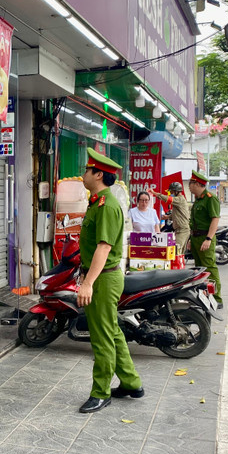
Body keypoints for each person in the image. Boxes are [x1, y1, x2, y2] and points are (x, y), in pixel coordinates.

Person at [77, 148, 143, 414]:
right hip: (102, 276)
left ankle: (100, 392)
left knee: (102, 336)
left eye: (86, 169)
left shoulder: (107, 205)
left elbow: (103, 248)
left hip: (104, 279)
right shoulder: (98, 201)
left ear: (98, 174)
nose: (83, 173)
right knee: (113, 332)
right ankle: (131, 383)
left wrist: (88, 283)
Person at [188, 171, 223, 308]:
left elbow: (215, 219)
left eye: (190, 184)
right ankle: (204, 295)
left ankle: (217, 298)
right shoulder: (198, 199)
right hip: (196, 237)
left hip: (205, 237)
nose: (189, 187)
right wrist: (191, 239)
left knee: (210, 267)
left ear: (197, 184)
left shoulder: (210, 198)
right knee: (199, 268)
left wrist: (208, 238)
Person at [150, 182, 189, 254]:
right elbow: (178, 213)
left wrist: (155, 193)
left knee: (176, 252)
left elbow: (168, 199)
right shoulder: (179, 201)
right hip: (180, 229)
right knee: (179, 252)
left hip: (182, 230)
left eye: (172, 191)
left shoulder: (179, 199)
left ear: (176, 191)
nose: (171, 193)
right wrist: (167, 217)